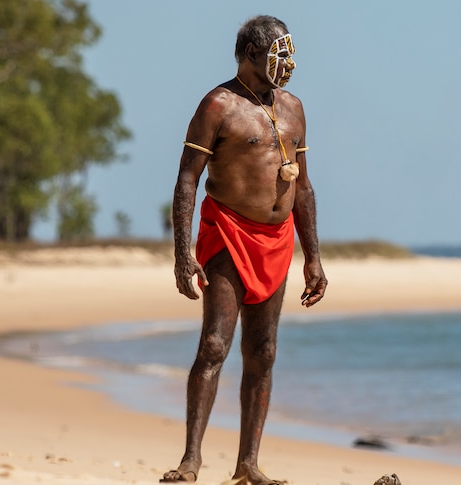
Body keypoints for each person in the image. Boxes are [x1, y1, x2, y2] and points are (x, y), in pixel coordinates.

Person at [161, 15, 327, 485]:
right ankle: (191, 461)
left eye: (290, 51)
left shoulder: (293, 107)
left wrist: (312, 256)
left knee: (264, 352)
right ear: (250, 54)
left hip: (277, 242)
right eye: (279, 53)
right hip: (227, 234)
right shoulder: (219, 105)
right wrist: (182, 251)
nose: (288, 62)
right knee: (214, 344)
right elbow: (188, 177)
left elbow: (305, 187)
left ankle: (247, 465)